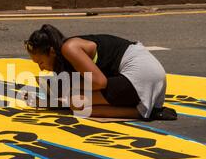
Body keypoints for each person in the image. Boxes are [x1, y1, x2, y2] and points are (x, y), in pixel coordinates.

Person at [23, 24, 177, 120]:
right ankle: (144, 110)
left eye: (41, 62)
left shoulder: (69, 48)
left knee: (78, 104)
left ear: (51, 52)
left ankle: (141, 113)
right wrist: (46, 101)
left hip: (141, 75)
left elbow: (99, 82)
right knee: (78, 106)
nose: (41, 68)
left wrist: (68, 88)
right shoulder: (64, 56)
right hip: (145, 76)